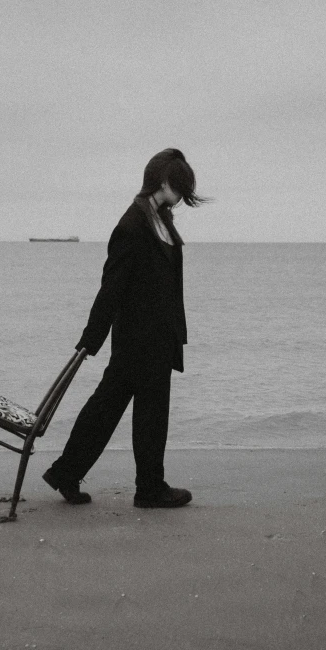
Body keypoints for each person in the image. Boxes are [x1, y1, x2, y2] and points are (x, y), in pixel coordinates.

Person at [43, 148, 208, 508]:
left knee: (129, 410)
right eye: (180, 186)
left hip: (157, 337)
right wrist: (91, 338)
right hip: (137, 339)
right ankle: (145, 488)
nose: (182, 196)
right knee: (122, 409)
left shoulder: (161, 219)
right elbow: (112, 287)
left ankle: (71, 473)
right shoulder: (132, 225)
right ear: (164, 181)